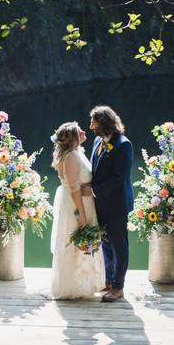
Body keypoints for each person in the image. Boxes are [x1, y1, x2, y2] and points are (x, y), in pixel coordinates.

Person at [49, 122, 105, 300]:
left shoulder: (77, 152)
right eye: (79, 130)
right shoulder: (71, 156)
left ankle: (85, 284)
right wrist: (81, 213)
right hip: (77, 204)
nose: (83, 131)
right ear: (74, 137)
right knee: (77, 242)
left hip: (84, 201)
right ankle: (73, 286)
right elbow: (74, 188)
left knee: (83, 243)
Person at [87, 105, 133, 302]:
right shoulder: (98, 141)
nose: (90, 127)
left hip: (117, 205)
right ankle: (109, 280)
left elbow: (119, 178)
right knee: (105, 243)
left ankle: (118, 287)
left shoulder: (124, 145)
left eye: (94, 122)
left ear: (104, 122)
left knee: (119, 245)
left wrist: (93, 191)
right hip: (100, 204)